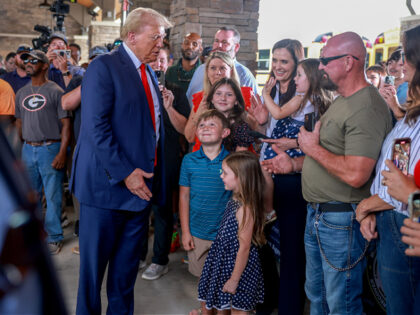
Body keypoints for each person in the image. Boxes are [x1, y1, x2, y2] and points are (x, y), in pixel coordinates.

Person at [70, 8, 172, 315]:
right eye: (156, 37)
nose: (161, 45)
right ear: (131, 35)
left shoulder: (148, 72)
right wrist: (127, 173)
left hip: (140, 192)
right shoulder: (104, 67)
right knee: (92, 277)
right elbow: (95, 127)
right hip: (106, 188)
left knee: (124, 277)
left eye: (163, 38)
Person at [298, 32, 392, 315]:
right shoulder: (344, 100)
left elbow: (356, 174)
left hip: (341, 219)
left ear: (349, 62)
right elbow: (331, 150)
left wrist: (312, 149)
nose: (321, 66)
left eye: (326, 60)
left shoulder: (366, 106)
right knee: (318, 297)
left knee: (342, 304)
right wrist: (293, 161)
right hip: (321, 215)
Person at [356, 24, 420, 315]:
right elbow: (400, 171)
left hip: (405, 222)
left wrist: (370, 204)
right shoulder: (412, 113)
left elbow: (406, 190)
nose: (399, 63)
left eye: (406, 55)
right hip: (396, 219)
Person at [250, 39, 307, 315]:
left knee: (291, 252)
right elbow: (269, 134)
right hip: (266, 177)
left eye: (284, 61)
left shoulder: (305, 94)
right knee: (261, 244)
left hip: (293, 180)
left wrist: (268, 99)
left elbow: (304, 137)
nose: (278, 66)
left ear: (297, 63)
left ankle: (289, 308)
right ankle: (267, 300)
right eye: (274, 60)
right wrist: (261, 121)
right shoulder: (272, 93)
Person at [140, 47, 191, 280]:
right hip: (142, 158)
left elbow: (184, 129)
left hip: (168, 156)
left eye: (162, 61)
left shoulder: (177, 92)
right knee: (139, 208)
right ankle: (139, 255)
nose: (158, 65)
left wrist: (167, 105)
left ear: (168, 63)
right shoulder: (137, 89)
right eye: (154, 60)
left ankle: (160, 259)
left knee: (162, 209)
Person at [15, 50, 70, 254]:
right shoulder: (21, 93)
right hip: (28, 148)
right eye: (26, 60)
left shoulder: (55, 91)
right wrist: (21, 149)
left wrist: (62, 152)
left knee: (53, 194)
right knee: (31, 196)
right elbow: (19, 124)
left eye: (34, 60)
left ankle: (54, 236)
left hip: (50, 147)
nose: (28, 63)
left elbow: (66, 125)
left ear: (45, 65)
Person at [197, 151, 265, 313]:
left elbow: (244, 248)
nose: (221, 176)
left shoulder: (245, 210)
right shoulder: (235, 200)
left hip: (237, 267)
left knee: (237, 308)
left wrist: (235, 279)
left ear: (241, 178)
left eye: (225, 173)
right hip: (224, 261)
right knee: (221, 304)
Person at [61, 45, 108, 255]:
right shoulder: (81, 81)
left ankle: (101, 238)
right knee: (82, 193)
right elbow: (66, 103)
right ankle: (85, 234)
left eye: (102, 60)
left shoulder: (112, 83)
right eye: (94, 60)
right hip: (83, 147)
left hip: (106, 150)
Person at [179, 109, 232, 277]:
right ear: (196, 132)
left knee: (223, 278)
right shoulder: (188, 160)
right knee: (201, 278)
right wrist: (186, 232)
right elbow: (184, 196)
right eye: (201, 125)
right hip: (197, 233)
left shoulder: (231, 161)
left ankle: (219, 305)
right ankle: (204, 305)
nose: (205, 128)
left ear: (225, 132)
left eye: (211, 124)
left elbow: (239, 199)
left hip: (225, 234)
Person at [186, 27, 257, 107]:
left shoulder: (245, 75)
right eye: (216, 41)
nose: (219, 45)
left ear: (236, 47)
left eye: (224, 42)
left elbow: (253, 111)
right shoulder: (200, 69)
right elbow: (189, 102)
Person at [206, 77, 254, 152]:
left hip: (231, 162)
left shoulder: (242, 127)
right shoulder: (206, 121)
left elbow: (240, 159)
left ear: (236, 101)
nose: (223, 98)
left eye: (229, 95)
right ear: (212, 99)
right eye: (218, 93)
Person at [379, 49, 409, 124]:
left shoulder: (410, 87)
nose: (393, 67)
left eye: (400, 64)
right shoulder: (382, 82)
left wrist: (394, 104)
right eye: (390, 63)